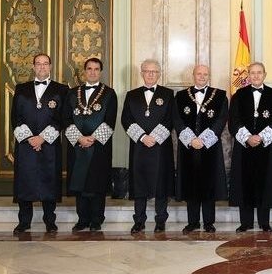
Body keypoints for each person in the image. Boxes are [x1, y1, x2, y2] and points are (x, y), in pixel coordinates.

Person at [11, 53, 69, 234]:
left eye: (45, 64)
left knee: (49, 181)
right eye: (38, 63)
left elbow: (63, 118)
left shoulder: (61, 89)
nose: (42, 67)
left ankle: (50, 221)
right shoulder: (21, 88)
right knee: (25, 181)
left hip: (49, 144)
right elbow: (15, 117)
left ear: (50, 66)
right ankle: (24, 222)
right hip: (25, 144)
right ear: (33, 66)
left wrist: (43, 138)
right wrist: (30, 138)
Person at [228, 62, 272, 233]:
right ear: (248, 75)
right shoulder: (239, 95)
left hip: (266, 147)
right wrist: (248, 137)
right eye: (252, 73)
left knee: (265, 182)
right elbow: (233, 120)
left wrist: (261, 137)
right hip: (244, 147)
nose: (255, 76)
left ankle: (264, 222)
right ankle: (245, 222)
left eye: (259, 72)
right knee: (244, 182)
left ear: (264, 74)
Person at [121, 59, 175, 234]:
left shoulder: (168, 94)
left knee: (161, 183)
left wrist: (155, 137)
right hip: (139, 147)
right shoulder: (131, 95)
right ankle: (139, 221)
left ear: (159, 74)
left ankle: (160, 220)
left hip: (161, 147)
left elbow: (170, 118)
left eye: (154, 71)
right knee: (139, 184)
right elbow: (126, 119)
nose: (151, 74)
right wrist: (143, 137)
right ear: (142, 73)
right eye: (147, 71)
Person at [174, 65, 229, 233]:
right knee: (190, 183)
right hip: (188, 147)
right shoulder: (181, 96)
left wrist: (203, 140)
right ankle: (193, 222)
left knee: (209, 184)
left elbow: (221, 120)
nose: (202, 76)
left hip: (210, 147)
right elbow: (177, 119)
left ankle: (208, 222)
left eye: (205, 74)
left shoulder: (220, 96)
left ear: (209, 76)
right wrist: (191, 140)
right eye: (199, 73)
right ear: (193, 75)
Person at [65, 57, 118, 232]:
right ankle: (82, 219)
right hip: (77, 145)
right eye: (89, 68)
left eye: (96, 69)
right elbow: (66, 118)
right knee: (79, 182)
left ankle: (96, 219)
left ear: (100, 72)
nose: (93, 72)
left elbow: (110, 121)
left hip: (99, 147)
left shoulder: (109, 93)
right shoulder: (72, 93)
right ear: (84, 71)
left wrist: (92, 138)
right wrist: (79, 138)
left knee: (97, 183)